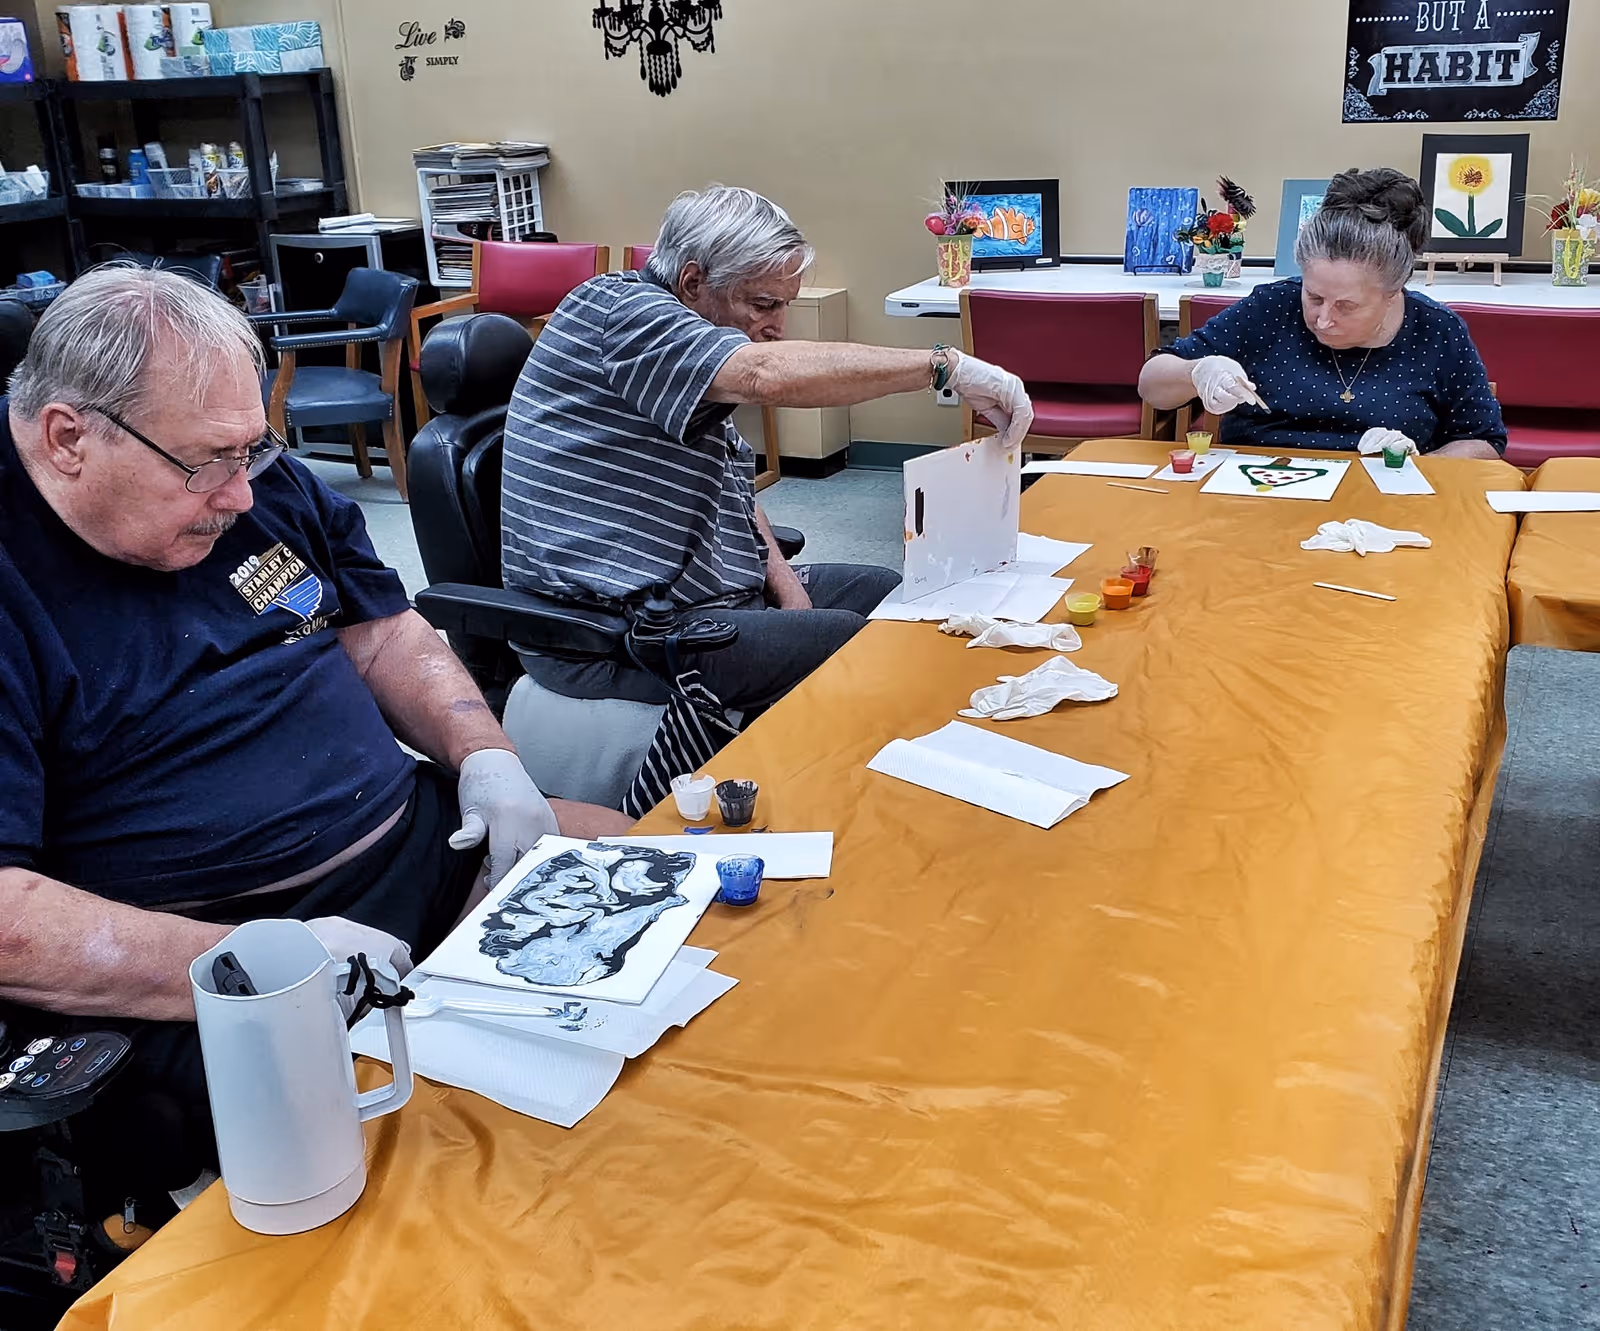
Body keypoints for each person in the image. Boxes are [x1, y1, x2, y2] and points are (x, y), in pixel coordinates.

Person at [0, 267, 630, 1226]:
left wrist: (485, 757)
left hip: (416, 851)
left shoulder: (249, 478)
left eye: (255, 447)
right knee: (453, 1167)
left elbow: (382, 632)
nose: (244, 494)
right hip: (213, 951)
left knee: (637, 902)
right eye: (205, 463)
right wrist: (253, 962)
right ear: (67, 437)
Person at [501, 184, 1034, 719]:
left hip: (702, 594)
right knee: (858, 645)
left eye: (785, 305)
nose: (778, 326)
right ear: (692, 281)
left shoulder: (678, 351)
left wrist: (784, 586)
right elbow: (764, 376)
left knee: (887, 592)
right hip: (616, 633)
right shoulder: (622, 312)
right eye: (763, 304)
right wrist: (945, 366)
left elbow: (731, 481)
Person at [1138, 168, 1505, 459]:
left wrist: (1413, 465)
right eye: (1313, 297)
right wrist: (1196, 372)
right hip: (1257, 496)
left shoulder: (1437, 332)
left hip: (1381, 505)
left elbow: (1484, 441)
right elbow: (1152, 385)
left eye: (1346, 306)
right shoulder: (1270, 309)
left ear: (1393, 293)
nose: (1323, 319)